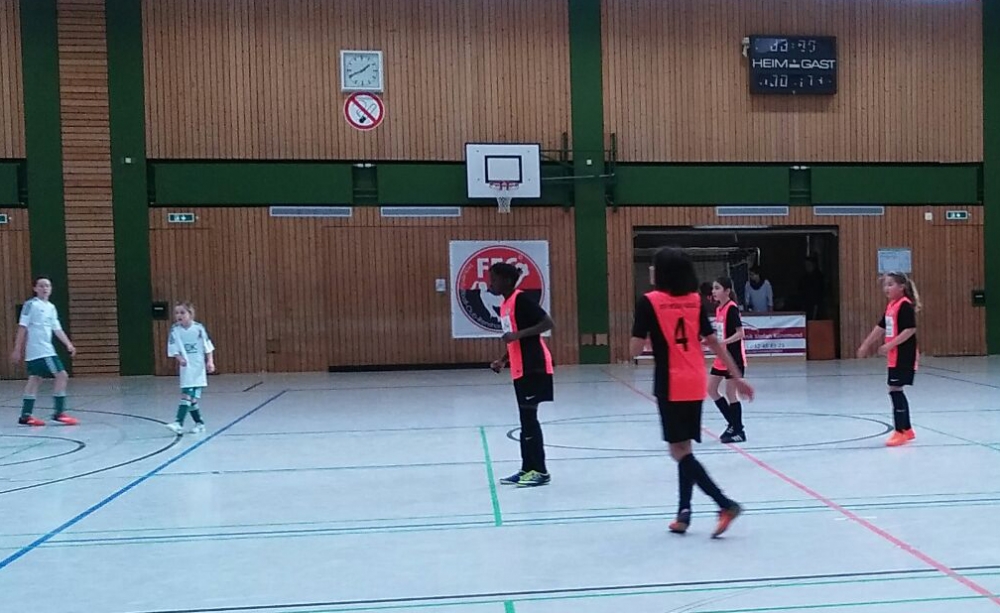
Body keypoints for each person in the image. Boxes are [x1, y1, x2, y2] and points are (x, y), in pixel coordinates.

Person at [630, 247, 754, 537]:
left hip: (670, 382)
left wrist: (645, 337)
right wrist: (738, 377)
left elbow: (634, 350)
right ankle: (684, 513)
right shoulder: (694, 301)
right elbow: (714, 343)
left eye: (654, 266)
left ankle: (724, 503)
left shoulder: (649, 301)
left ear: (663, 272)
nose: (651, 270)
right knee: (684, 447)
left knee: (678, 451)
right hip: (694, 379)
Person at [488, 262, 555, 488]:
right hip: (519, 367)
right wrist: (503, 360)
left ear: (507, 281)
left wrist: (518, 334)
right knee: (525, 420)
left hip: (534, 366)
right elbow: (513, 338)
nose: (490, 283)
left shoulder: (521, 299)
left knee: (529, 420)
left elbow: (547, 323)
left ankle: (540, 471)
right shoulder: (505, 304)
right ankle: (527, 468)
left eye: (494, 279)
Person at [857, 273, 920, 447]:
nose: (886, 288)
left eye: (891, 284)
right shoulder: (892, 306)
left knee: (895, 388)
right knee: (895, 388)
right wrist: (865, 344)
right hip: (895, 354)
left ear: (901, 287)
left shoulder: (905, 305)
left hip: (904, 354)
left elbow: (910, 330)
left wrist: (890, 345)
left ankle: (900, 431)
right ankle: (907, 429)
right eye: (885, 285)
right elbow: (881, 327)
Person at [10, 276, 78, 426]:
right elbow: (22, 327)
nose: (44, 288)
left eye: (47, 286)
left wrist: (68, 344)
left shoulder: (51, 307)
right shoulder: (31, 305)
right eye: (41, 286)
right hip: (41, 350)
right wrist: (17, 349)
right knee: (62, 375)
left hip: (44, 349)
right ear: (35, 288)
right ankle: (59, 413)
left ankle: (25, 415)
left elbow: (56, 328)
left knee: (35, 379)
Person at [165, 302, 216, 435]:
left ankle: (178, 423)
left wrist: (210, 362)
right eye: (177, 313)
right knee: (191, 399)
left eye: (182, 313)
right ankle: (200, 423)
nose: (179, 315)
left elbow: (208, 346)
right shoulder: (175, 330)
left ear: (190, 314)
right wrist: (179, 358)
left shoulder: (198, 328)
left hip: (198, 368)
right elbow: (173, 347)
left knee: (187, 395)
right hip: (186, 368)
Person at [708, 277, 747, 443]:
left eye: (717, 288)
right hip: (721, 357)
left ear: (727, 291)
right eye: (713, 288)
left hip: (734, 357)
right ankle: (733, 424)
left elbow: (740, 333)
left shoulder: (732, 308)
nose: (713, 291)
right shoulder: (719, 309)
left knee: (731, 393)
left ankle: (739, 431)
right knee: (711, 389)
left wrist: (723, 342)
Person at [798, 255, 825, 320]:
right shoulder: (805, 278)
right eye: (806, 265)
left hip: (816, 307)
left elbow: (818, 295)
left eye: (809, 265)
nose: (807, 267)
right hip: (806, 306)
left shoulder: (818, 278)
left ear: (814, 265)